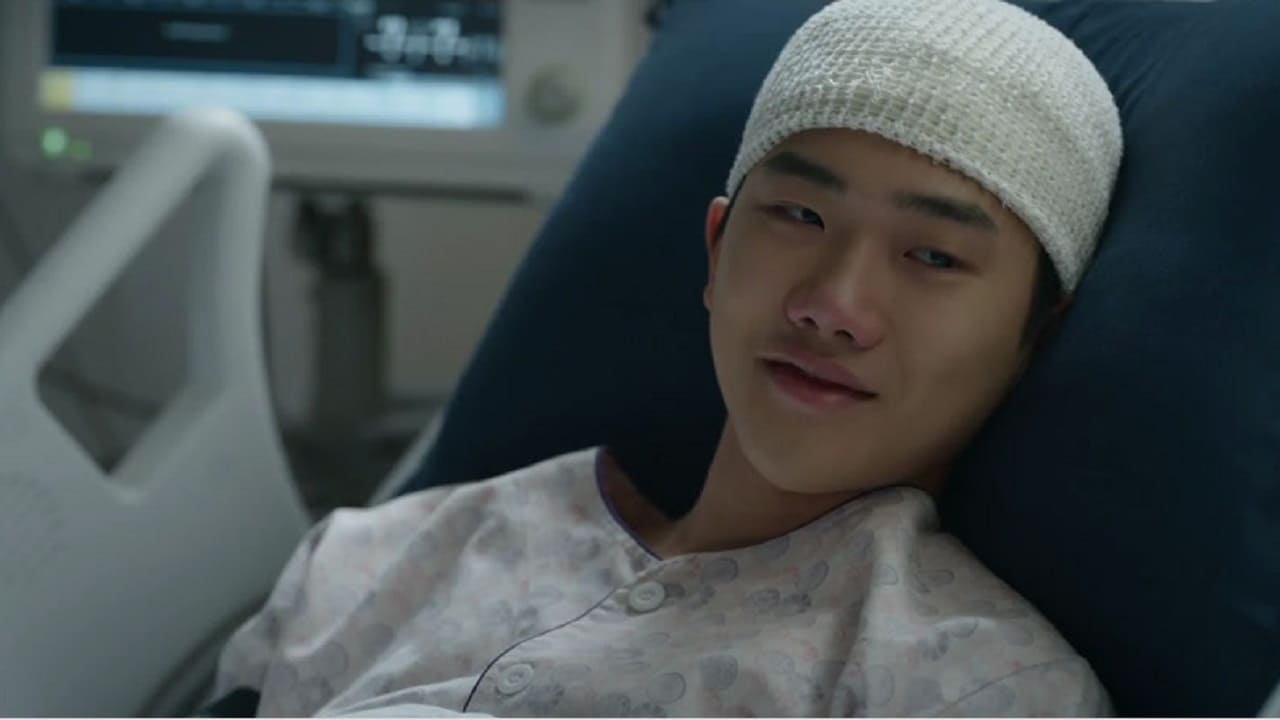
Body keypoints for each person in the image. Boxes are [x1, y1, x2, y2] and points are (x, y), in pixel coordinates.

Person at [209, 0, 1123, 715]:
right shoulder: (386, 559)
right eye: (800, 215)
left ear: (1035, 335)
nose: (832, 305)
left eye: (934, 257)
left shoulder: (974, 688)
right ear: (717, 251)